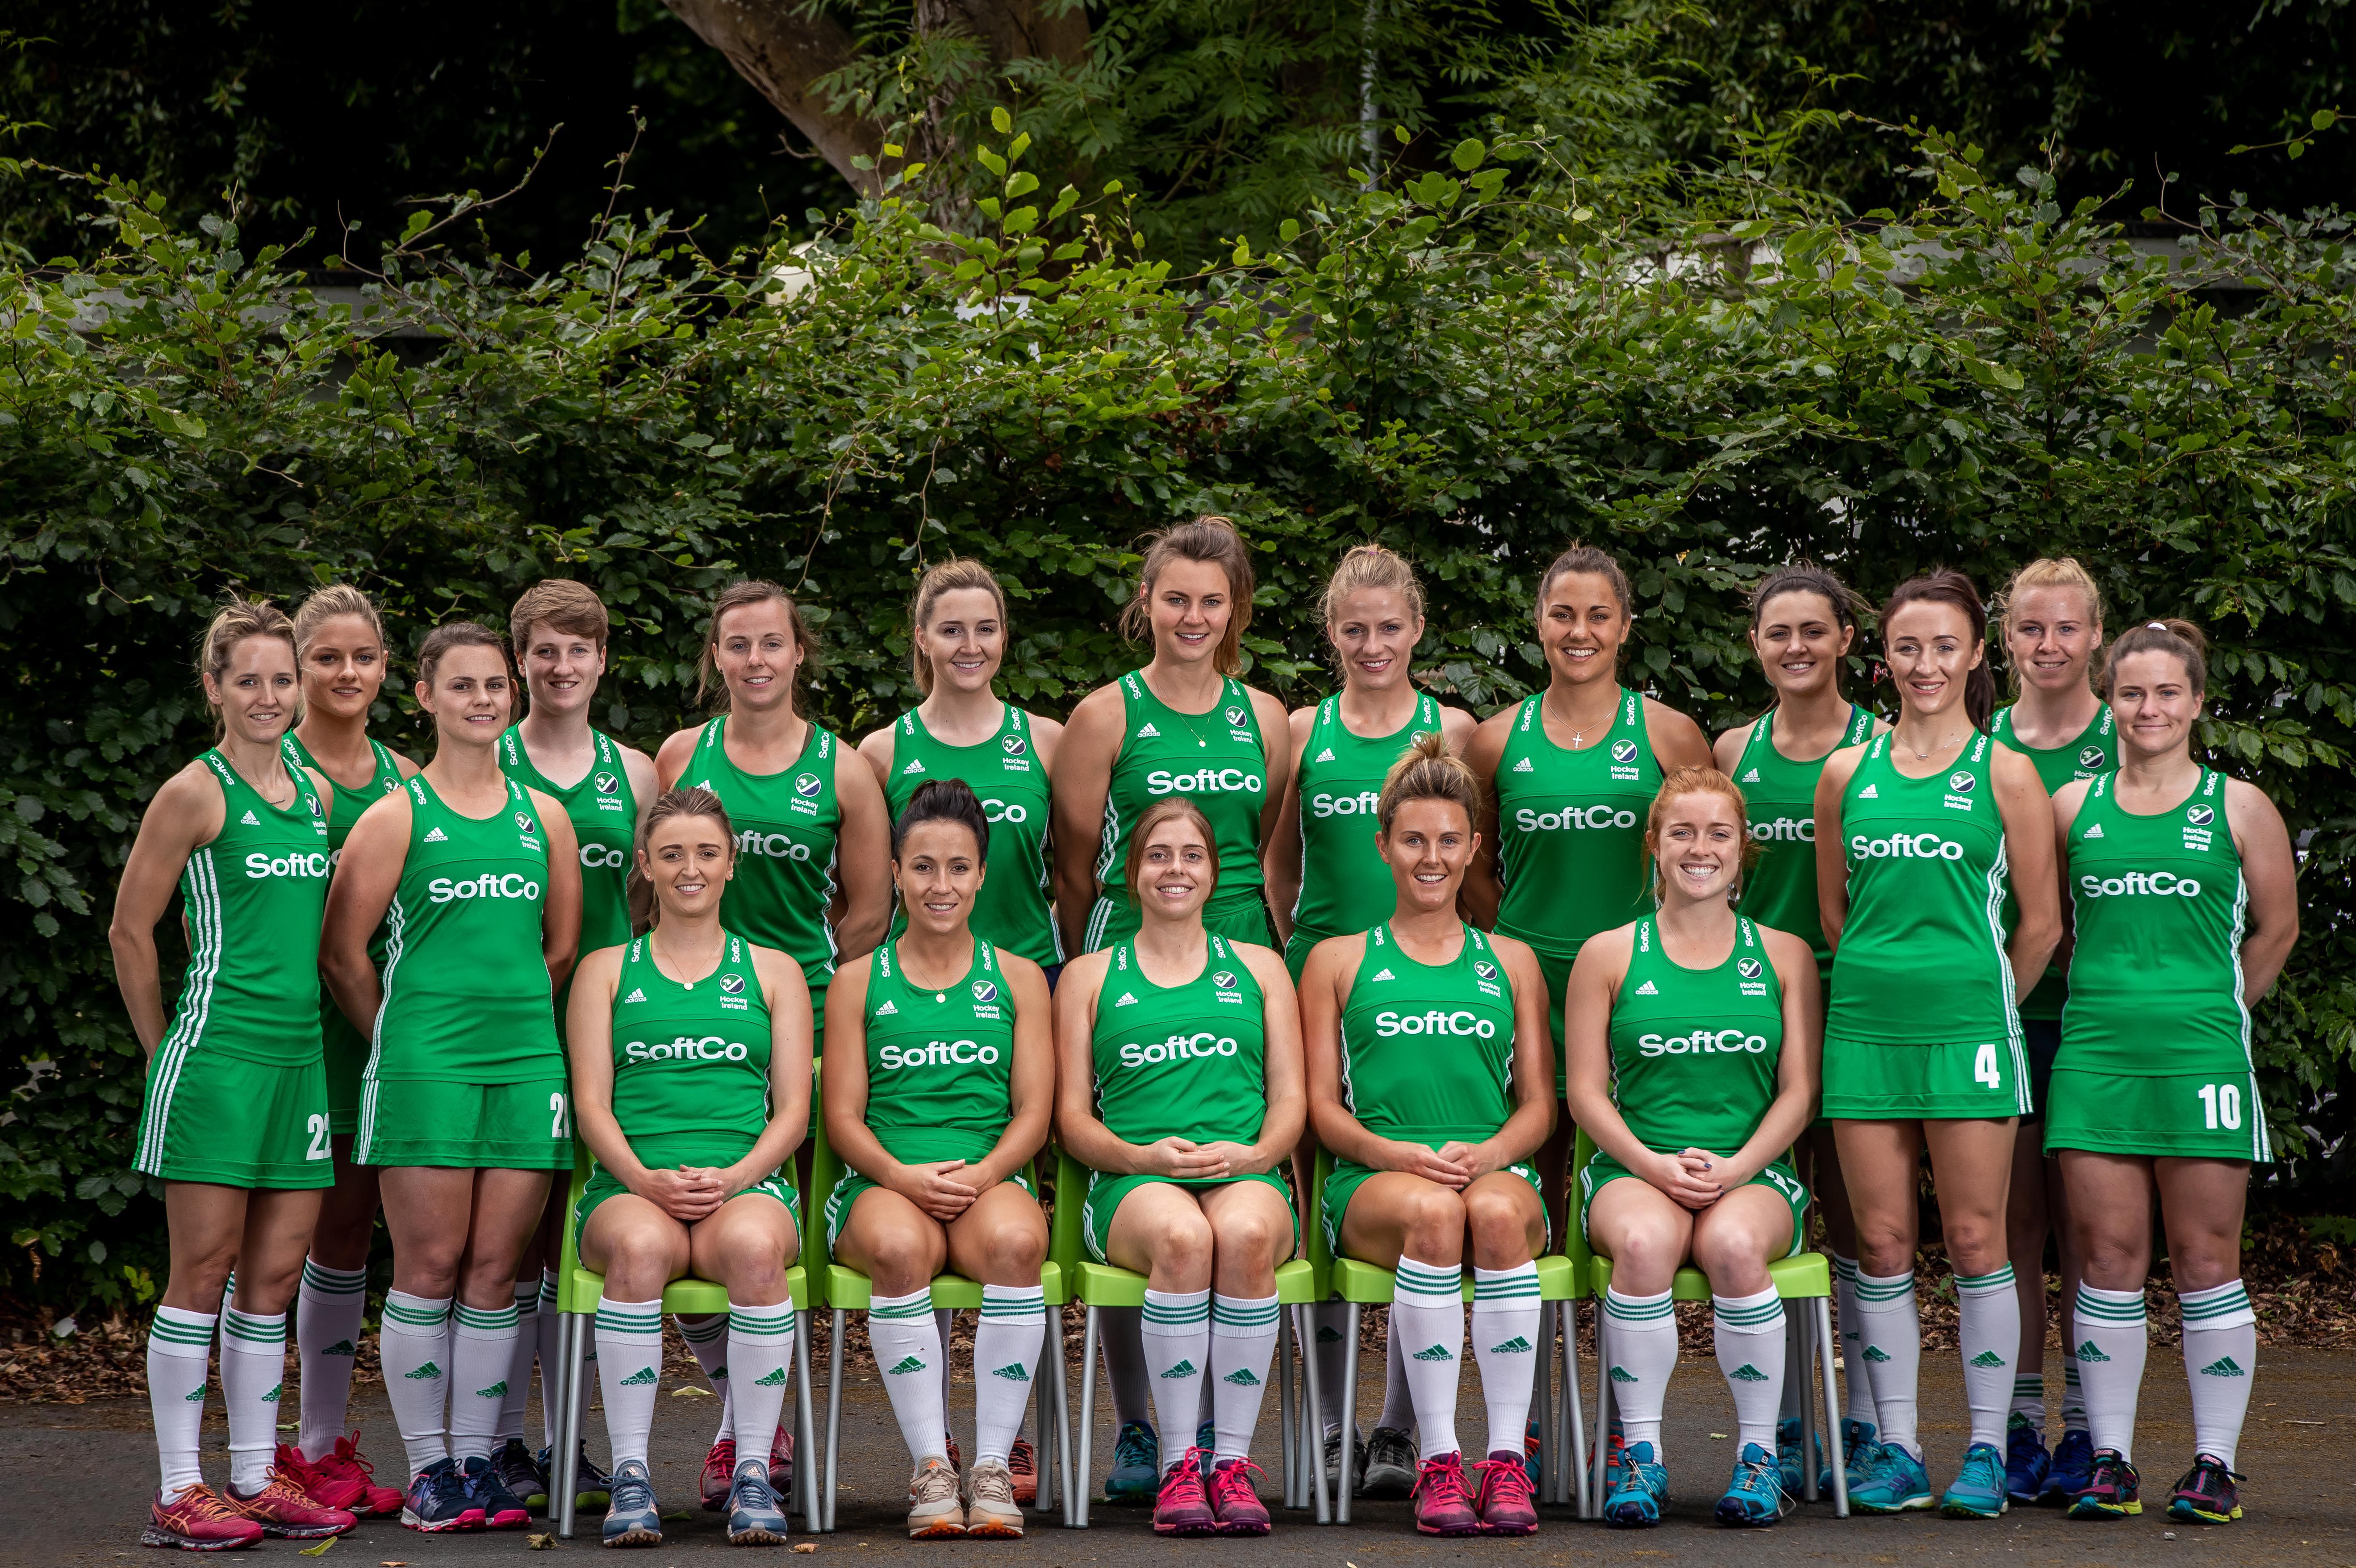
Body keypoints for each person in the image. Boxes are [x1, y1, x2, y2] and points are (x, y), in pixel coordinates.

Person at [321, 620, 583, 1533]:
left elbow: (557, 949)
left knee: (493, 1268)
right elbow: (343, 955)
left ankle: (476, 1461)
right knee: (429, 1266)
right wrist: (405, 1036)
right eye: (461, 686)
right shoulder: (398, 813)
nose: (482, 701)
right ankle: (429, 1471)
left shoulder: (541, 815)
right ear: (425, 696)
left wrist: (498, 1024)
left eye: (494, 686)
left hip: (523, 1065)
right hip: (424, 1066)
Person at [1049, 516, 1292, 1499]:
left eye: (1210, 601)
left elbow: (1267, 849)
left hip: (1237, 955)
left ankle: (1224, 1447)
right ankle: (1142, 1425)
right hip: (1125, 948)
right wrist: (1093, 968)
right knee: (1143, 1204)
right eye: (1174, 598)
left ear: (1233, 613)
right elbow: (1073, 867)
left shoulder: (1266, 717)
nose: (1191, 616)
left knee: (1237, 1211)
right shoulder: (1105, 715)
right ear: (1145, 604)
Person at [1813, 569, 2061, 1519]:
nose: (1925, 665)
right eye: (1909, 647)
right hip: (1867, 1032)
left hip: (1969, 1036)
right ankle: (1899, 1448)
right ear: (1884, 659)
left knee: (1973, 1238)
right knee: (1878, 1242)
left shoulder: (2004, 771)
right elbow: (1837, 915)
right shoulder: (1848, 771)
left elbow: (2038, 925)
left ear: (1973, 656)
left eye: (1944, 646)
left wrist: (1981, 1003)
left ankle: (1989, 1450)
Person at [112, 598, 359, 1550]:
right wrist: (160, 1046)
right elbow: (131, 930)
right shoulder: (194, 792)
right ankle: (180, 1488)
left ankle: (254, 1475)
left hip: (299, 1065)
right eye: (247, 679)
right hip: (217, 1059)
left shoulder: (312, 789)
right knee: (202, 1273)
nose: (267, 695)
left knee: (273, 1276)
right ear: (214, 688)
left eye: (281, 679)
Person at [1464, 543, 1711, 1485]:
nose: (1578, 633)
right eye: (1562, 615)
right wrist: (1522, 948)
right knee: (1527, 1206)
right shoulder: (1495, 738)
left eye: (1597, 616)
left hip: (1635, 997)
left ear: (1625, 625)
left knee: (1620, 1204)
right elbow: (1477, 867)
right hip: (1530, 988)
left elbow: (1697, 847)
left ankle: (1622, 1425)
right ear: (1538, 624)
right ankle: (1519, 1424)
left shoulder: (1666, 732)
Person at [2045, 620, 2298, 1526]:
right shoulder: (2073, 806)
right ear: (2107, 700)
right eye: (2129, 692)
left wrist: (2217, 1008)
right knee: (2107, 1262)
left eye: (2164, 693)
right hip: (2097, 1056)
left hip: (2199, 1057)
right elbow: (2051, 924)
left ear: (2195, 702)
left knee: (2203, 1261)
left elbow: (2277, 928)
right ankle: (2109, 1461)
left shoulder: (2239, 806)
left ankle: (2214, 1466)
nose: (2146, 709)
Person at [1299, 734, 1555, 1536]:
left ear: (1475, 845)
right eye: (1413, 840)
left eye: (1449, 840)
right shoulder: (1338, 961)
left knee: (1497, 1215)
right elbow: (1320, 1111)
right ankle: (1439, 1458)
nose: (1431, 857)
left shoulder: (1510, 961)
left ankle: (1505, 1458)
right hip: (1376, 1175)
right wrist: (1393, 1154)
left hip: (1489, 1163)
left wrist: (1491, 1154)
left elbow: (1539, 1108)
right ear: (1383, 845)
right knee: (1436, 1216)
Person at [1263, 543, 1474, 1499]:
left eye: (1389, 627)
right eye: (1354, 629)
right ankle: (1327, 1419)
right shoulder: (1302, 728)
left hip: (1422, 984)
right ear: (1331, 634)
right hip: (1325, 972)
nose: (1372, 644)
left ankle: (1397, 1427)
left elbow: (1474, 854)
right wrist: (1301, 946)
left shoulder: (1453, 728)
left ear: (1417, 629)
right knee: (1322, 1210)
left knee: (1419, 1191)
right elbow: (1278, 858)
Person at [1565, 767, 1822, 1528]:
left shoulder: (1783, 954)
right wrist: (1652, 1165)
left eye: (1718, 833)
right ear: (1653, 845)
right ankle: (1639, 1456)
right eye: (1682, 831)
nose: (1699, 848)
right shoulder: (1607, 954)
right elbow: (1584, 1093)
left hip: (1752, 1170)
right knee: (1642, 1244)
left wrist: (1741, 1167)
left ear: (1744, 847)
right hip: (1636, 1167)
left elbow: (1799, 1093)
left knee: (1738, 1246)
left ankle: (1757, 1459)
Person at [566, 786, 815, 1548]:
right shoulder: (606, 971)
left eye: (707, 852)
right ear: (645, 863)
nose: (690, 868)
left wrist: (738, 1177)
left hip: (743, 1183)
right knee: (639, 1251)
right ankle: (634, 1476)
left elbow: (793, 1116)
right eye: (671, 853)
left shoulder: (774, 972)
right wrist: (643, 1179)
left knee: (753, 1249)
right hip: (631, 1189)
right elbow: (592, 1107)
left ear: (732, 863)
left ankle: (750, 1470)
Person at [1054, 798, 1306, 1536]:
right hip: (1134, 1180)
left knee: (1248, 1237)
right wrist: (1139, 1157)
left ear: (1213, 871)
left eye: (1191, 855)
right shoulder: (1090, 976)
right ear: (1133, 874)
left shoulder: (1260, 967)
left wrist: (1259, 1155)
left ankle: (1226, 1461)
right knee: (1183, 1239)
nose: (1175, 869)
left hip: (1243, 1169)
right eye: (1159, 855)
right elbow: (1071, 1120)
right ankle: (1174, 1464)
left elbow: (1290, 1098)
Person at [823, 780, 1056, 1538]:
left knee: (1019, 1242)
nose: (941, 885)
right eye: (923, 867)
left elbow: (1033, 1113)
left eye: (958, 867)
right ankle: (931, 1465)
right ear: (895, 871)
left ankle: (989, 1464)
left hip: (987, 1175)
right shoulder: (859, 979)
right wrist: (902, 1176)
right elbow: (844, 1118)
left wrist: (986, 1175)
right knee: (895, 1248)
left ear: (983, 873)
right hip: (885, 1178)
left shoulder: (1019, 977)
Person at [1712, 564, 1881, 1497]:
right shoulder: (1736, 748)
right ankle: (1776, 1422)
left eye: (1814, 631)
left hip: (1849, 1001)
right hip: (1752, 1012)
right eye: (1778, 633)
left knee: (1854, 1222)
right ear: (1757, 644)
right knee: (1766, 1216)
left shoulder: (1887, 747)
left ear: (1845, 640)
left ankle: (1858, 1422)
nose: (1795, 648)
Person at [497, 580, 660, 1515]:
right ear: (521, 660)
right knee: (514, 1244)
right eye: (545, 652)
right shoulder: (491, 759)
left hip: (607, 1031)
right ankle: (503, 1443)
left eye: (580, 651)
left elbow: (642, 904)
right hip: (516, 1028)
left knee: (579, 1244)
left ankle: (570, 1442)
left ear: (603, 661)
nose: (562, 668)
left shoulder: (633, 773)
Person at [273, 585, 418, 1523]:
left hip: (379, 1031)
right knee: (297, 1237)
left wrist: (398, 1039)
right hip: (303, 1031)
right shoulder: (267, 765)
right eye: (327, 658)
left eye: (362, 656)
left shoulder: (404, 777)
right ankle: (296, 1449)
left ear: (385, 666)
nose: (347, 673)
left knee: (355, 1229)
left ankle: (325, 1447)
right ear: (297, 667)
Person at [1988, 558, 2117, 1506]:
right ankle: (2024, 1425)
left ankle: (2089, 1432)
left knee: (2088, 1232)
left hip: (2098, 1025)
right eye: (2030, 630)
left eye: (2066, 629)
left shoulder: (2135, 732)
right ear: (2006, 641)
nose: (2048, 646)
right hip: (2004, 1019)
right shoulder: (1981, 742)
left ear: (2096, 637)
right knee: (2013, 1227)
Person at [655, 578, 892, 1044]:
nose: (755, 660)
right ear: (717, 656)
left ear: (798, 652)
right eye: (738, 646)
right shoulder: (678, 757)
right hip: (693, 1007)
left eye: (772, 643)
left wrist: (817, 983)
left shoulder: (844, 769)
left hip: (810, 1010)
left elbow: (870, 914)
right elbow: (649, 889)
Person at [858, 556, 1065, 972]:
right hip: (916, 979)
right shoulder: (881, 753)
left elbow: (1080, 875)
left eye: (985, 629)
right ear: (921, 638)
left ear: (1004, 637)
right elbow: (866, 894)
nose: (971, 647)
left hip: (1033, 970)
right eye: (952, 631)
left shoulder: (1047, 742)